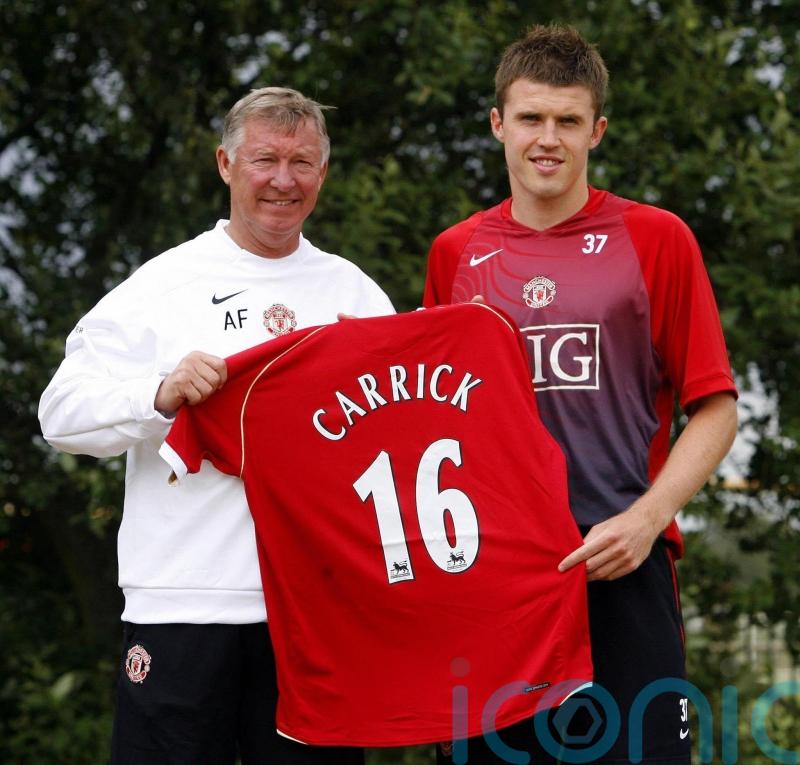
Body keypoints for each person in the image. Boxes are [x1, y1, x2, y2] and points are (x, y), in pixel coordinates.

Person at [39, 86, 393, 765]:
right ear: (225, 165)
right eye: (264, 159)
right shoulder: (165, 285)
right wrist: (161, 393)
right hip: (181, 602)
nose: (283, 181)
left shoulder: (357, 296)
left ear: (324, 172)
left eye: (302, 162)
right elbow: (59, 414)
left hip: (314, 614)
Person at [423, 25, 738, 765]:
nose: (548, 139)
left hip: (622, 565)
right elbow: (434, 414)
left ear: (597, 128)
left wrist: (645, 519)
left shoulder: (656, 238)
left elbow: (716, 409)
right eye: (531, 118)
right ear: (498, 123)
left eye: (568, 121)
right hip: (491, 582)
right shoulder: (455, 253)